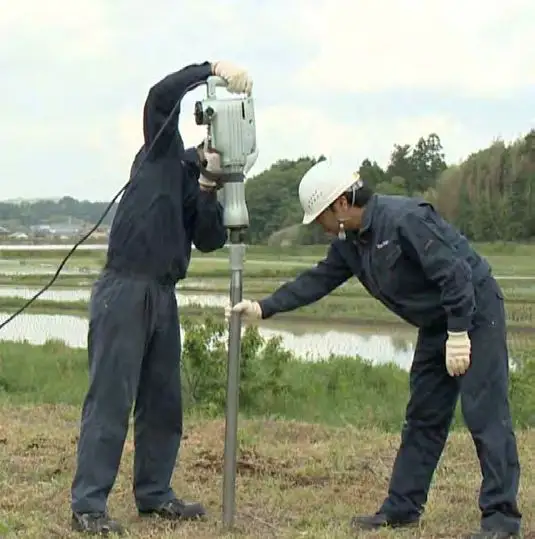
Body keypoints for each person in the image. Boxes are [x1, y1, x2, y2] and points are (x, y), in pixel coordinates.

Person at [228, 159, 522, 539]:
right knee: (424, 416)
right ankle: (402, 508)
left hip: (473, 310)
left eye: (320, 216)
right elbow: (318, 280)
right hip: (436, 323)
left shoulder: (405, 219)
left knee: (485, 413)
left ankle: (501, 521)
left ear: (340, 204)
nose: (320, 226)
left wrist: (460, 333)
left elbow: (456, 274)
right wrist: (264, 307)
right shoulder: (351, 244)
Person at [70, 60, 253, 536]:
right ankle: (88, 505)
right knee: (111, 399)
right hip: (124, 288)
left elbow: (210, 238)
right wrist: (210, 68)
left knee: (162, 401)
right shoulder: (162, 151)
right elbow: (159, 95)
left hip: (163, 295)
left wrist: (213, 185)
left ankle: (154, 493)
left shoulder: (196, 181)